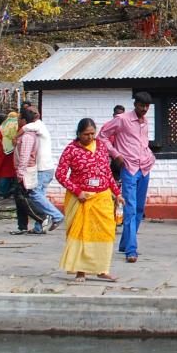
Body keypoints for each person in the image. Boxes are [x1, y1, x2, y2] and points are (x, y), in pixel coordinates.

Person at [56, 117, 118, 282]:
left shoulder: (102, 147)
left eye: (92, 134)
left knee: (105, 233)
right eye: (86, 134)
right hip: (81, 198)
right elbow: (60, 175)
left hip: (102, 197)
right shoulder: (71, 149)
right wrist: (77, 191)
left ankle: (102, 269)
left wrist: (117, 193)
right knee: (82, 234)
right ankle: (81, 271)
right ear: (78, 134)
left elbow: (107, 173)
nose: (90, 137)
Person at [103, 92, 157, 263]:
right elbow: (102, 136)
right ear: (135, 104)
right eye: (142, 105)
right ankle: (131, 251)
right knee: (130, 209)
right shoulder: (122, 119)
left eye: (147, 106)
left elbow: (142, 143)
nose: (144, 109)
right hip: (129, 169)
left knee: (140, 208)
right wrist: (115, 154)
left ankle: (125, 243)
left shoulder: (145, 122)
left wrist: (150, 156)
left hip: (145, 168)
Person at [15, 108, 67, 234]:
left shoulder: (36, 127)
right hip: (44, 167)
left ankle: (57, 215)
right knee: (39, 198)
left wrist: (16, 136)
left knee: (35, 195)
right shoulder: (37, 128)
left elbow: (27, 129)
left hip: (42, 168)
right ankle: (39, 227)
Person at [0, 111, 20, 197]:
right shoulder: (17, 126)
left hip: (3, 151)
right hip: (14, 152)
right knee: (13, 172)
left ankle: (2, 191)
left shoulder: (3, 126)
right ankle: (12, 191)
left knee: (3, 173)